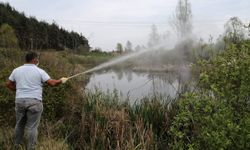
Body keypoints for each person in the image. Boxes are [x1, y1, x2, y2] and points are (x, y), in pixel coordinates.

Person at [6, 51, 68, 149]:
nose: (38, 61)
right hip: (34, 102)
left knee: (19, 124)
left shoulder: (16, 70)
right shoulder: (39, 71)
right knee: (32, 127)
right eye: (37, 59)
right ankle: (31, 147)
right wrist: (61, 80)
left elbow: (8, 84)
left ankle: (16, 146)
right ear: (34, 60)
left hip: (20, 101)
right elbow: (52, 83)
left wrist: (18, 90)